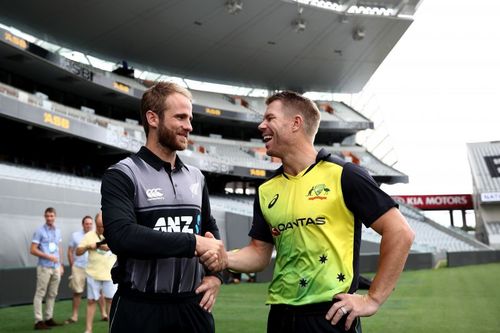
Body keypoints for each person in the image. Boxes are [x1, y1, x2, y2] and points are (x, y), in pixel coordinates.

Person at [203, 91, 415, 332]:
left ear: (296, 123)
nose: (261, 125)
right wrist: (224, 257)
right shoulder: (266, 189)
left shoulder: (345, 174)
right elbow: (259, 254)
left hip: (331, 317)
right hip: (280, 317)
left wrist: (373, 298)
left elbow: (400, 232)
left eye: (270, 118)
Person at [101, 82, 227, 333]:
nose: (189, 126)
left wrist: (216, 276)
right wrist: (193, 243)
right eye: (180, 117)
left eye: (189, 118)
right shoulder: (122, 174)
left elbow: (210, 229)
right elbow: (121, 236)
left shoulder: (196, 177)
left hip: (193, 307)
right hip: (139, 307)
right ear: (153, 118)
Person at [76, 212, 117, 333]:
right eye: (99, 226)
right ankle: (88, 330)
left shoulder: (114, 234)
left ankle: (112, 329)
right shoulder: (89, 235)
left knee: (111, 301)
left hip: (110, 275)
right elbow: (78, 252)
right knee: (91, 301)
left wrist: (110, 247)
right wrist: (90, 246)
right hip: (93, 274)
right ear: (95, 224)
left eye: (103, 226)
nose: (101, 228)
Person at [66, 215, 107, 324]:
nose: (88, 225)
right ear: (82, 224)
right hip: (79, 267)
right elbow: (70, 251)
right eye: (86, 223)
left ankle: (104, 313)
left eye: (90, 223)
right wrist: (72, 265)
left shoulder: (98, 235)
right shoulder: (75, 235)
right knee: (77, 292)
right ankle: (74, 316)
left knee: (100, 292)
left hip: (93, 268)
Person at [30, 207, 64, 330]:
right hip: (44, 266)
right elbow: (32, 249)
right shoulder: (39, 231)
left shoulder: (58, 231)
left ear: (55, 216)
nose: (49, 218)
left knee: (52, 294)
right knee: (40, 293)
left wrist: (60, 264)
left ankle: (48, 318)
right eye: (47, 216)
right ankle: (38, 321)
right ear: (45, 217)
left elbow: (59, 248)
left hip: (56, 267)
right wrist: (48, 256)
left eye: (51, 216)